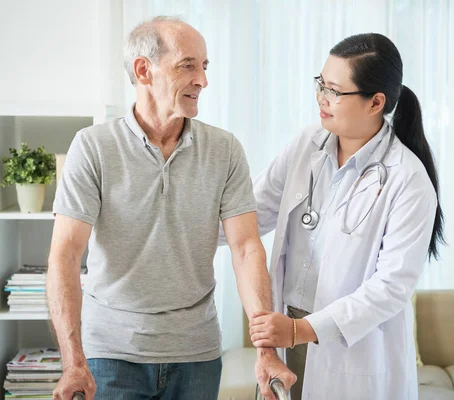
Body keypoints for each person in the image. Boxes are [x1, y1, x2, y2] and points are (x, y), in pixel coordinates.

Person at [46, 16, 295, 400]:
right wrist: (72, 361)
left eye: (205, 66)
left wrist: (266, 350)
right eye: (188, 65)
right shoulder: (93, 147)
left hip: (196, 355)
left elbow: (246, 249)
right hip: (111, 355)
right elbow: (65, 253)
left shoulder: (224, 150)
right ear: (144, 70)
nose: (203, 80)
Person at [247, 33, 444, 400]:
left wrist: (301, 329)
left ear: (376, 102)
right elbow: (247, 217)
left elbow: (391, 288)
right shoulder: (306, 146)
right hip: (286, 335)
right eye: (321, 84)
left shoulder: (408, 179)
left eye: (335, 90)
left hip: (348, 344)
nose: (322, 97)